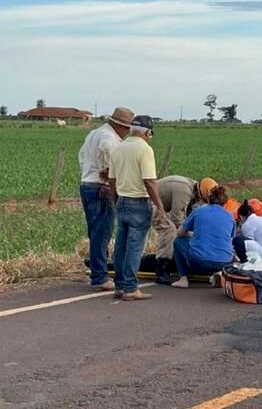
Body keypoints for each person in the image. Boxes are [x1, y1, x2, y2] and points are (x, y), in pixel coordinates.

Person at [108, 115, 166, 301]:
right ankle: (131, 288)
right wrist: (160, 206)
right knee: (134, 247)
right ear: (147, 132)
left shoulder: (118, 148)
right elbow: (149, 181)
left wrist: (115, 198)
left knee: (121, 245)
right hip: (139, 202)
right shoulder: (145, 150)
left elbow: (112, 179)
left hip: (122, 200)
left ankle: (119, 285)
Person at [78, 106, 134, 291]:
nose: (127, 132)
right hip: (101, 187)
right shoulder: (109, 140)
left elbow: (81, 156)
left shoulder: (94, 134)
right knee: (102, 233)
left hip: (87, 183)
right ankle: (100, 276)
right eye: (127, 128)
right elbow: (111, 168)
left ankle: (98, 271)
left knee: (95, 231)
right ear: (120, 126)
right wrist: (110, 178)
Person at [152, 175, 218, 284]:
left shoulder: (193, 191)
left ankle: (171, 261)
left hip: (160, 205)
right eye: (204, 201)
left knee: (176, 231)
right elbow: (177, 219)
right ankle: (162, 270)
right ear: (199, 194)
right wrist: (194, 235)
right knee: (170, 229)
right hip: (149, 203)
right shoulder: (185, 190)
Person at [170, 185, 235, 289]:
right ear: (225, 201)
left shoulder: (198, 211)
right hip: (223, 261)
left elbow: (180, 233)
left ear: (208, 198)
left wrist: (194, 234)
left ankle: (183, 278)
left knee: (178, 241)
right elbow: (230, 239)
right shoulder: (230, 216)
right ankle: (218, 272)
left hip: (198, 260)